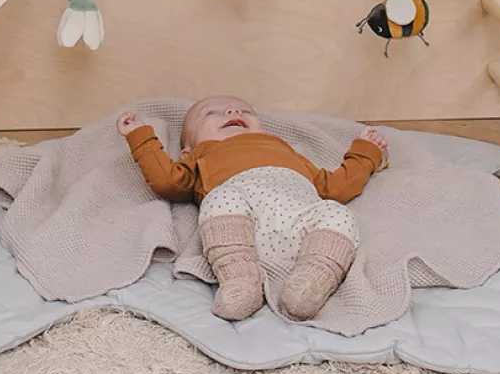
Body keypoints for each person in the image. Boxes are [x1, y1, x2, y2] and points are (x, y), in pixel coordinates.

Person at [116, 96, 388, 322]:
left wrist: (366, 152)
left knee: (336, 213)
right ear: (187, 151)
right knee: (221, 198)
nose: (233, 112)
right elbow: (166, 180)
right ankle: (240, 279)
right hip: (242, 229)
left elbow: (339, 186)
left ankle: (312, 280)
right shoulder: (202, 155)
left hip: (303, 226)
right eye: (212, 112)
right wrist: (140, 136)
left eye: (245, 111)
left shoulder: (285, 150)